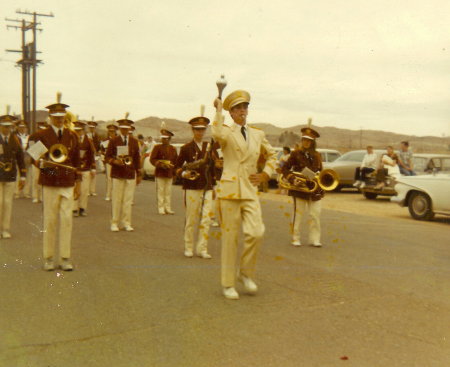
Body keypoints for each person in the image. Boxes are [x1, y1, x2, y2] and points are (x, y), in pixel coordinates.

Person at [212, 90, 276, 300]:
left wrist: (266, 173)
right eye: (237, 108)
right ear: (231, 113)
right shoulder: (226, 131)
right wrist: (218, 111)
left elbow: (272, 155)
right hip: (229, 191)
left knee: (256, 232)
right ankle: (228, 283)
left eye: (245, 107)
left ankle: (246, 274)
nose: (242, 111)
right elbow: (217, 134)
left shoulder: (258, 134)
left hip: (249, 190)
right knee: (230, 239)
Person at [35, 93, 81, 271]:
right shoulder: (41, 135)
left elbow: (76, 162)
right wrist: (51, 170)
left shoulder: (72, 136)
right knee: (50, 221)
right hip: (50, 183)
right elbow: (34, 158)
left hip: (68, 183)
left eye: (62, 117)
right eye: (56, 117)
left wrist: (77, 183)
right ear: (50, 118)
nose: (60, 120)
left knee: (67, 220)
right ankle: (48, 257)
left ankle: (65, 257)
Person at [175, 114, 215, 259]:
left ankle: (202, 249)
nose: (200, 132)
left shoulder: (209, 147)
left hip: (207, 187)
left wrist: (214, 186)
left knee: (206, 219)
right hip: (192, 186)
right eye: (197, 129)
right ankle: (188, 246)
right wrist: (184, 174)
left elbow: (212, 169)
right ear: (193, 130)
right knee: (191, 218)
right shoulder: (186, 148)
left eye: (202, 129)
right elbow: (177, 167)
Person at [282, 125, 324, 248]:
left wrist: (318, 175)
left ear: (313, 142)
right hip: (299, 188)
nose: (306, 142)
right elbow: (285, 169)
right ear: (301, 140)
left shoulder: (317, 155)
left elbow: (320, 170)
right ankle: (295, 238)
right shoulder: (295, 154)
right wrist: (292, 179)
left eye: (309, 141)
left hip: (314, 188)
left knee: (315, 215)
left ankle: (315, 239)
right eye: (304, 140)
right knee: (298, 214)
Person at [105, 115, 142, 232]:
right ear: (119, 129)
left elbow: (137, 158)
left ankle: (126, 222)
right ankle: (114, 222)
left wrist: (139, 174)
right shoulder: (113, 141)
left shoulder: (134, 142)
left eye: (127, 128)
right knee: (116, 199)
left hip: (130, 173)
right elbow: (107, 157)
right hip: (117, 173)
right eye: (123, 128)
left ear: (130, 129)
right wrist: (114, 161)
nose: (125, 131)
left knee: (128, 200)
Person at [0, 112, 26, 239]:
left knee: (7, 203)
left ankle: (5, 229)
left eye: (8, 126)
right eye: (4, 126)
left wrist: (23, 176)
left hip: (10, 175)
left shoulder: (16, 139)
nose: (6, 129)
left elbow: (20, 157)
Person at [150, 128, 178, 214]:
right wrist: (160, 164)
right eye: (163, 138)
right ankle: (161, 208)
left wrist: (174, 174)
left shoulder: (173, 149)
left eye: (166, 138)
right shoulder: (157, 147)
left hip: (169, 173)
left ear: (169, 139)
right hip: (160, 172)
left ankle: (168, 207)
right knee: (161, 191)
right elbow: (152, 159)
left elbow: (176, 161)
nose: (164, 140)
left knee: (168, 192)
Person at [72, 121, 96, 217]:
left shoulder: (88, 141)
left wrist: (93, 167)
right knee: (74, 188)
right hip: (74, 168)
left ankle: (82, 208)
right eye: (76, 130)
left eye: (80, 130)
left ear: (83, 130)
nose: (78, 132)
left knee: (84, 189)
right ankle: (74, 208)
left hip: (85, 168)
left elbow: (91, 155)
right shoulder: (72, 139)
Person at [28, 121, 48, 203]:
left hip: (45, 160)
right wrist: (36, 158)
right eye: (39, 128)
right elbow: (30, 147)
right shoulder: (32, 136)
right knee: (35, 179)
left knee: (44, 179)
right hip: (35, 161)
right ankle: (35, 196)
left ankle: (42, 196)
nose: (40, 130)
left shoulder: (48, 136)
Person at [14, 120, 32, 198]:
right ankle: (16, 192)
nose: (22, 129)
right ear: (17, 127)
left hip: (28, 157)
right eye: (20, 127)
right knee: (17, 175)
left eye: (24, 127)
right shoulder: (14, 137)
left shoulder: (30, 137)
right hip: (18, 158)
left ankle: (26, 193)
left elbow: (34, 147)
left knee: (28, 175)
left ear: (27, 128)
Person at [100, 124, 118, 201]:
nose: (111, 133)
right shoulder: (105, 141)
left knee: (116, 179)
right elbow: (102, 151)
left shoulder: (118, 140)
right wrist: (105, 155)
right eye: (110, 131)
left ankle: (115, 195)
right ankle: (108, 195)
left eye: (113, 131)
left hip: (117, 161)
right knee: (109, 178)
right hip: (109, 161)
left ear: (115, 132)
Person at [86, 120, 101, 196]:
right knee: (88, 173)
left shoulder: (97, 136)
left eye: (93, 128)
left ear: (95, 128)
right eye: (90, 127)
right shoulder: (86, 135)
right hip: (88, 156)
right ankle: (88, 190)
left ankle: (92, 190)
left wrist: (98, 151)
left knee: (94, 173)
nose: (91, 129)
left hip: (95, 155)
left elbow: (99, 145)